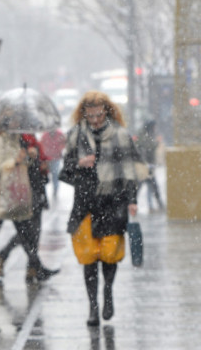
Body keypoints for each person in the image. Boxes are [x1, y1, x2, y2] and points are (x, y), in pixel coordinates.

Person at [62, 91, 144, 326]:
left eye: (99, 115)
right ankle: (93, 307)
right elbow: (65, 171)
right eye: (90, 116)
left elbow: (131, 170)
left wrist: (132, 199)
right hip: (85, 205)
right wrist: (79, 163)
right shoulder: (76, 135)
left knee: (110, 255)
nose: (95, 120)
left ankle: (107, 293)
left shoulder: (120, 135)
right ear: (83, 114)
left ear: (106, 111)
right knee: (89, 258)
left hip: (113, 202)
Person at [0, 127, 59, 285]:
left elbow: (21, 163)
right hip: (1, 192)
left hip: (12, 192)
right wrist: (16, 160)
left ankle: (36, 266)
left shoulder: (13, 138)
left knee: (24, 231)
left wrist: (29, 157)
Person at [136, 120, 164, 211]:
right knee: (151, 186)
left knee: (147, 187)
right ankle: (157, 205)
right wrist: (157, 142)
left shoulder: (146, 134)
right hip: (146, 166)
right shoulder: (145, 136)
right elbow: (148, 146)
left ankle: (154, 205)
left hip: (147, 166)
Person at [40, 128, 66, 199]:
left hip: (56, 158)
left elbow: (64, 143)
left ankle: (55, 188)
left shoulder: (60, 134)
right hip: (47, 158)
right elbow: (41, 144)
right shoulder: (45, 135)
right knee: (46, 174)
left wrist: (59, 149)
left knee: (55, 174)